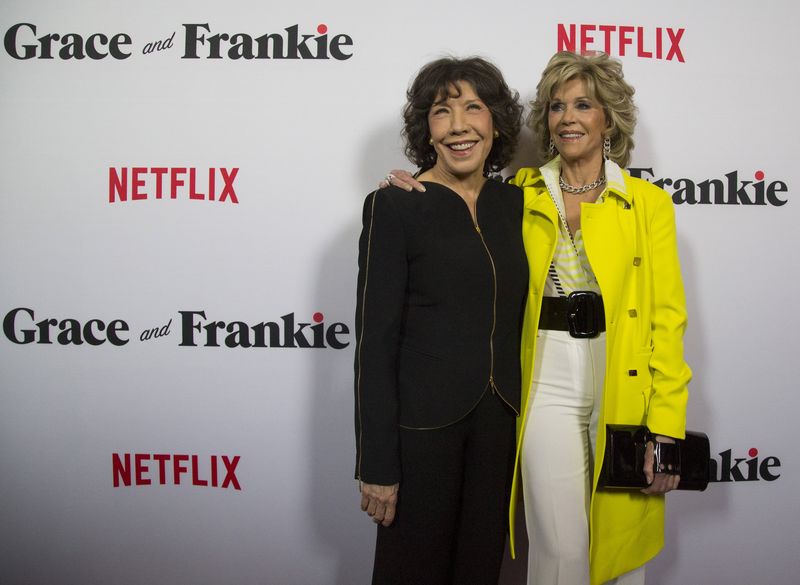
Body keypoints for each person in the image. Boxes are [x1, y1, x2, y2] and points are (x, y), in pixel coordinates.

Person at [382, 51, 691, 585]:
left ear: (608, 118)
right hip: (545, 373)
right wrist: (411, 186)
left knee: (622, 551)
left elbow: (668, 323)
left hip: (620, 374)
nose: (568, 117)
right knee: (557, 545)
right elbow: (458, 205)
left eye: (583, 105)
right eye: (555, 106)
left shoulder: (647, 205)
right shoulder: (519, 193)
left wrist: (666, 430)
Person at [354, 56, 528, 585]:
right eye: (441, 111)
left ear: (495, 123)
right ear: (425, 129)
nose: (458, 125)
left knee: (479, 571)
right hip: (422, 430)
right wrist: (377, 464)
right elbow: (375, 344)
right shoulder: (397, 206)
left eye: (473, 108)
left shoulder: (516, 203)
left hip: (500, 423)